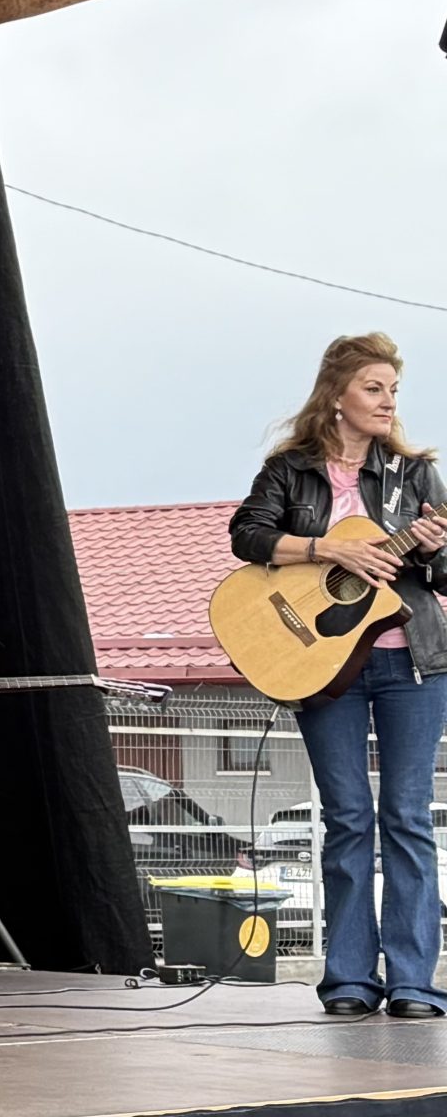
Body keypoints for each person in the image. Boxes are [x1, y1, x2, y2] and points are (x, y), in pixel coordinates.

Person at [229, 333, 447, 1019]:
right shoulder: (291, 470)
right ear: (336, 396)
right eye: (373, 388)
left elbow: (443, 578)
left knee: (407, 816)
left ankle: (413, 982)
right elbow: (247, 535)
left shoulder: (417, 475)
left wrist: (433, 552)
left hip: (414, 662)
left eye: (393, 390)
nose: (387, 402)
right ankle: (349, 979)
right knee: (347, 817)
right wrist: (329, 551)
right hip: (323, 664)